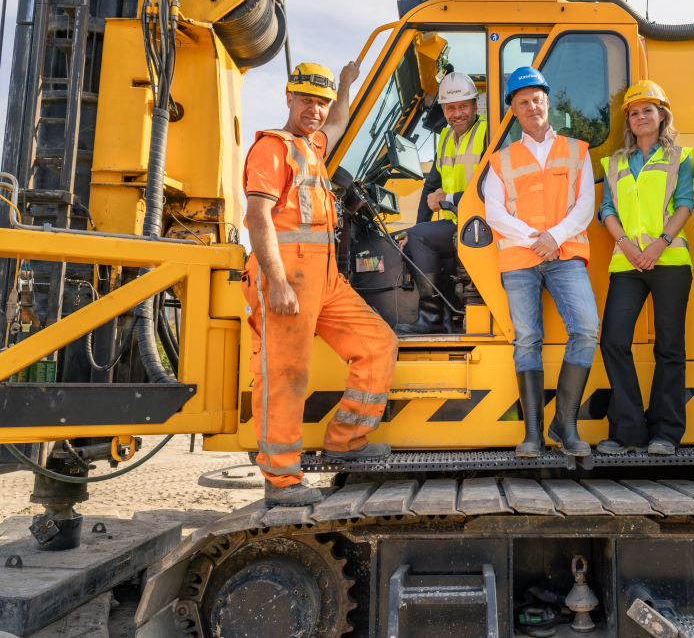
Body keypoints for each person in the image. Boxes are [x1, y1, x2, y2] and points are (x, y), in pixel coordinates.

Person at [243, 62, 399, 507]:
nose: (315, 109)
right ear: (288, 97)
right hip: (287, 273)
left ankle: (345, 440)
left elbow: (339, 122)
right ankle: (281, 479)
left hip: (324, 276)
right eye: (306, 99)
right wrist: (277, 282)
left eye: (321, 101)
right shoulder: (272, 149)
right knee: (286, 375)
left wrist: (346, 87)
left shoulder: (312, 146)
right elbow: (258, 216)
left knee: (378, 344)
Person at [484, 66, 599, 458]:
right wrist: (536, 239)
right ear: (513, 110)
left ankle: (564, 424)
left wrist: (555, 237)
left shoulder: (577, 150)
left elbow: (586, 205)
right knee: (528, 339)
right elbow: (494, 212)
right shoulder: (500, 160)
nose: (531, 106)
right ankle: (533, 434)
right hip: (520, 256)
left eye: (536, 99)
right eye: (522, 101)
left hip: (564, 254)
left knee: (585, 327)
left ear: (547, 101)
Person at [596, 81, 694, 457]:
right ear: (629, 121)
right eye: (634, 113)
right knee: (613, 340)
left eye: (647, 110)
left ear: (662, 115)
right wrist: (626, 244)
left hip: (669, 261)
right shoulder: (616, 162)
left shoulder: (680, 157)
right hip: (627, 262)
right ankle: (628, 431)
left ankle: (666, 433)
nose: (640, 117)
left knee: (669, 347)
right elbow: (607, 209)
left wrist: (659, 244)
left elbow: (685, 202)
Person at [396, 72, 487, 335]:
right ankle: (448, 319)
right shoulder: (446, 138)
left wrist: (447, 199)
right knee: (415, 242)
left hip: (482, 224)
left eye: (463, 106)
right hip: (461, 222)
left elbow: (491, 188)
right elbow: (429, 186)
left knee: (421, 239)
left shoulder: (487, 133)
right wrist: (410, 235)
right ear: (444, 110)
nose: (457, 113)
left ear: (474, 105)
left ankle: (432, 318)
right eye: (450, 108)